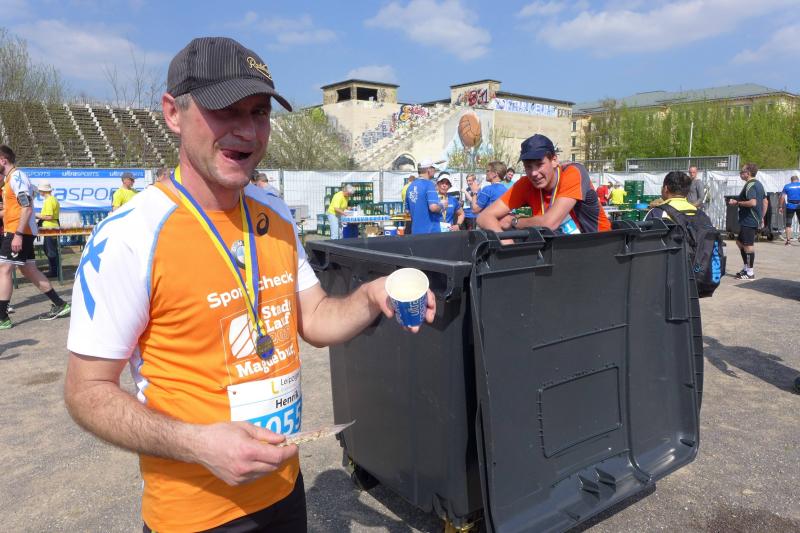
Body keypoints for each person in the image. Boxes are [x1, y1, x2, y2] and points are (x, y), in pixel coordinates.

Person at [63, 37, 435, 533]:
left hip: (283, 491)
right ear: (173, 113)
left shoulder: (274, 212)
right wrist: (197, 444)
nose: (247, 130)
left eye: (259, 112)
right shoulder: (130, 235)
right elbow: (86, 391)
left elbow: (314, 318)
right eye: (225, 110)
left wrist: (371, 295)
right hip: (195, 516)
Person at [477, 134, 611, 235]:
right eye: (528, 167)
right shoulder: (526, 183)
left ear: (554, 160)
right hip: (560, 250)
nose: (534, 173)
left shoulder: (573, 172)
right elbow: (484, 217)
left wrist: (514, 221)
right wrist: (506, 244)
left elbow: (550, 223)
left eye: (540, 164)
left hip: (600, 246)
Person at [0, 145, 71, 329]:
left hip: (18, 231)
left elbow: (26, 207)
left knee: (4, 268)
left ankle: (2, 318)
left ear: (3, 160)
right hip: (20, 230)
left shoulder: (17, 177)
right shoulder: (11, 179)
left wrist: (18, 234)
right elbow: (19, 206)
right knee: (29, 269)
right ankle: (60, 304)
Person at [728, 163, 766, 280]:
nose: (740, 174)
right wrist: (761, 217)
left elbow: (753, 202)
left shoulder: (750, 185)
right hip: (750, 219)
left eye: (742, 172)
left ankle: (750, 272)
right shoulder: (759, 184)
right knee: (740, 243)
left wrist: (737, 202)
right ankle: (746, 267)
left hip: (749, 219)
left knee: (748, 246)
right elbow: (765, 202)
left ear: (748, 173)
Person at [404, 159, 442, 234]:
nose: (435, 170)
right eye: (433, 168)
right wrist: (442, 205)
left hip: (415, 231)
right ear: (429, 170)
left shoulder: (410, 187)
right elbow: (433, 207)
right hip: (430, 232)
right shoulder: (429, 184)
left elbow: (407, 211)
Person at [35, 180, 60, 277]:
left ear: (43, 191)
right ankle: (54, 270)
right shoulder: (52, 199)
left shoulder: (49, 201)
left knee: (50, 250)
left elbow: (49, 216)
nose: (39, 192)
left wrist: (36, 215)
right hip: (51, 227)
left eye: (40, 190)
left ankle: (54, 271)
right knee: (50, 249)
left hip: (50, 228)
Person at [779, 175, 800, 245]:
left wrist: (780, 206)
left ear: (791, 180)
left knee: (788, 224)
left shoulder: (787, 186)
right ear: (798, 180)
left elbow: (782, 197)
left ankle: (788, 241)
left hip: (790, 206)